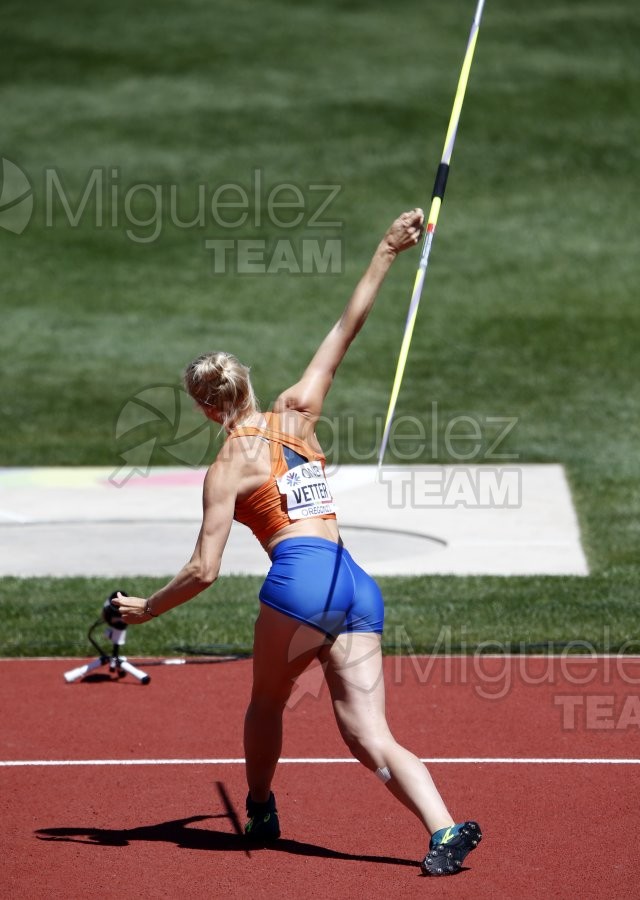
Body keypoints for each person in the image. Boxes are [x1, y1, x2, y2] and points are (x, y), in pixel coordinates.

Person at [114, 207, 482, 876]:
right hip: (352, 578)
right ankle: (445, 829)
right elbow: (347, 326)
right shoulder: (298, 412)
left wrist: (146, 610)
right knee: (369, 734)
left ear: (203, 407)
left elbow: (203, 571)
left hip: (300, 582)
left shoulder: (226, 466)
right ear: (249, 383)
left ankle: (259, 806)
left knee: (267, 701)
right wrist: (386, 248)